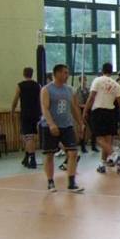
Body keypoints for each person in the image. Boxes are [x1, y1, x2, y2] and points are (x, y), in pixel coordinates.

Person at [39, 64, 84, 193]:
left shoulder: (70, 90)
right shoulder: (47, 89)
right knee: (50, 155)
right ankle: (50, 182)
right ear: (57, 73)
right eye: (65, 73)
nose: (67, 75)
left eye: (67, 73)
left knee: (73, 153)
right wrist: (51, 124)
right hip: (50, 126)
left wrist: (80, 123)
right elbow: (45, 108)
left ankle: (71, 182)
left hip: (67, 125)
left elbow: (74, 108)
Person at [81, 62, 120, 174]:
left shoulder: (97, 80)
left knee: (99, 139)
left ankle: (115, 156)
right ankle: (102, 164)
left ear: (102, 70)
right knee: (107, 140)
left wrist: (85, 111)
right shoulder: (116, 85)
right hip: (111, 113)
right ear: (112, 71)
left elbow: (91, 97)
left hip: (98, 111)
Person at [11, 67, 42, 168]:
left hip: (26, 113)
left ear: (24, 74)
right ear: (32, 74)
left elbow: (15, 99)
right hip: (36, 113)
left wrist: (12, 110)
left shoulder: (20, 85)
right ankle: (27, 156)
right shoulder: (38, 85)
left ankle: (32, 159)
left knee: (28, 137)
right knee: (30, 136)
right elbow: (41, 99)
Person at [74, 76, 96, 153]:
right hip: (81, 110)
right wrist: (86, 106)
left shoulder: (88, 90)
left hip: (89, 110)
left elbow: (91, 100)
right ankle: (83, 147)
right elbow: (78, 103)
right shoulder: (78, 91)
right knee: (82, 128)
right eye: (83, 80)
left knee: (93, 128)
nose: (84, 82)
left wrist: (89, 106)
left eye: (85, 80)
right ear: (80, 81)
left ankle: (93, 146)